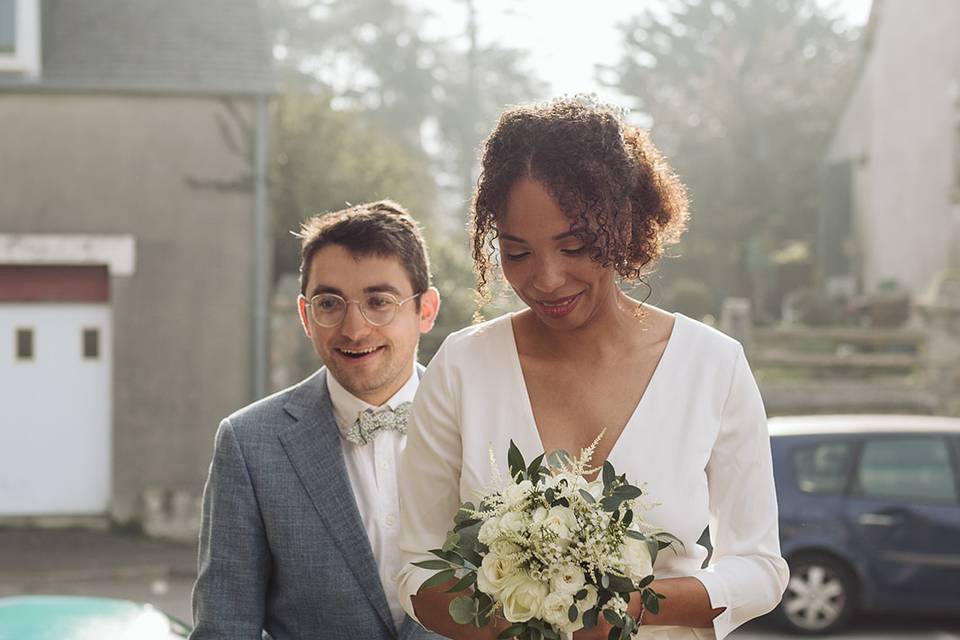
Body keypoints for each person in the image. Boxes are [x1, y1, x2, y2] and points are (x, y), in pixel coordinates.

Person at [396, 98, 789, 640]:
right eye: (517, 252)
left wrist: (624, 611)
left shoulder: (713, 366)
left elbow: (760, 570)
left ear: (624, 223)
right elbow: (417, 567)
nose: (547, 279)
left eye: (574, 245)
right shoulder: (462, 369)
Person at [191, 201, 445, 640]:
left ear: (425, 310)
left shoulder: (479, 425)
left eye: (379, 301)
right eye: (330, 303)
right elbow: (224, 629)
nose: (354, 328)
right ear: (307, 316)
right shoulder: (248, 444)